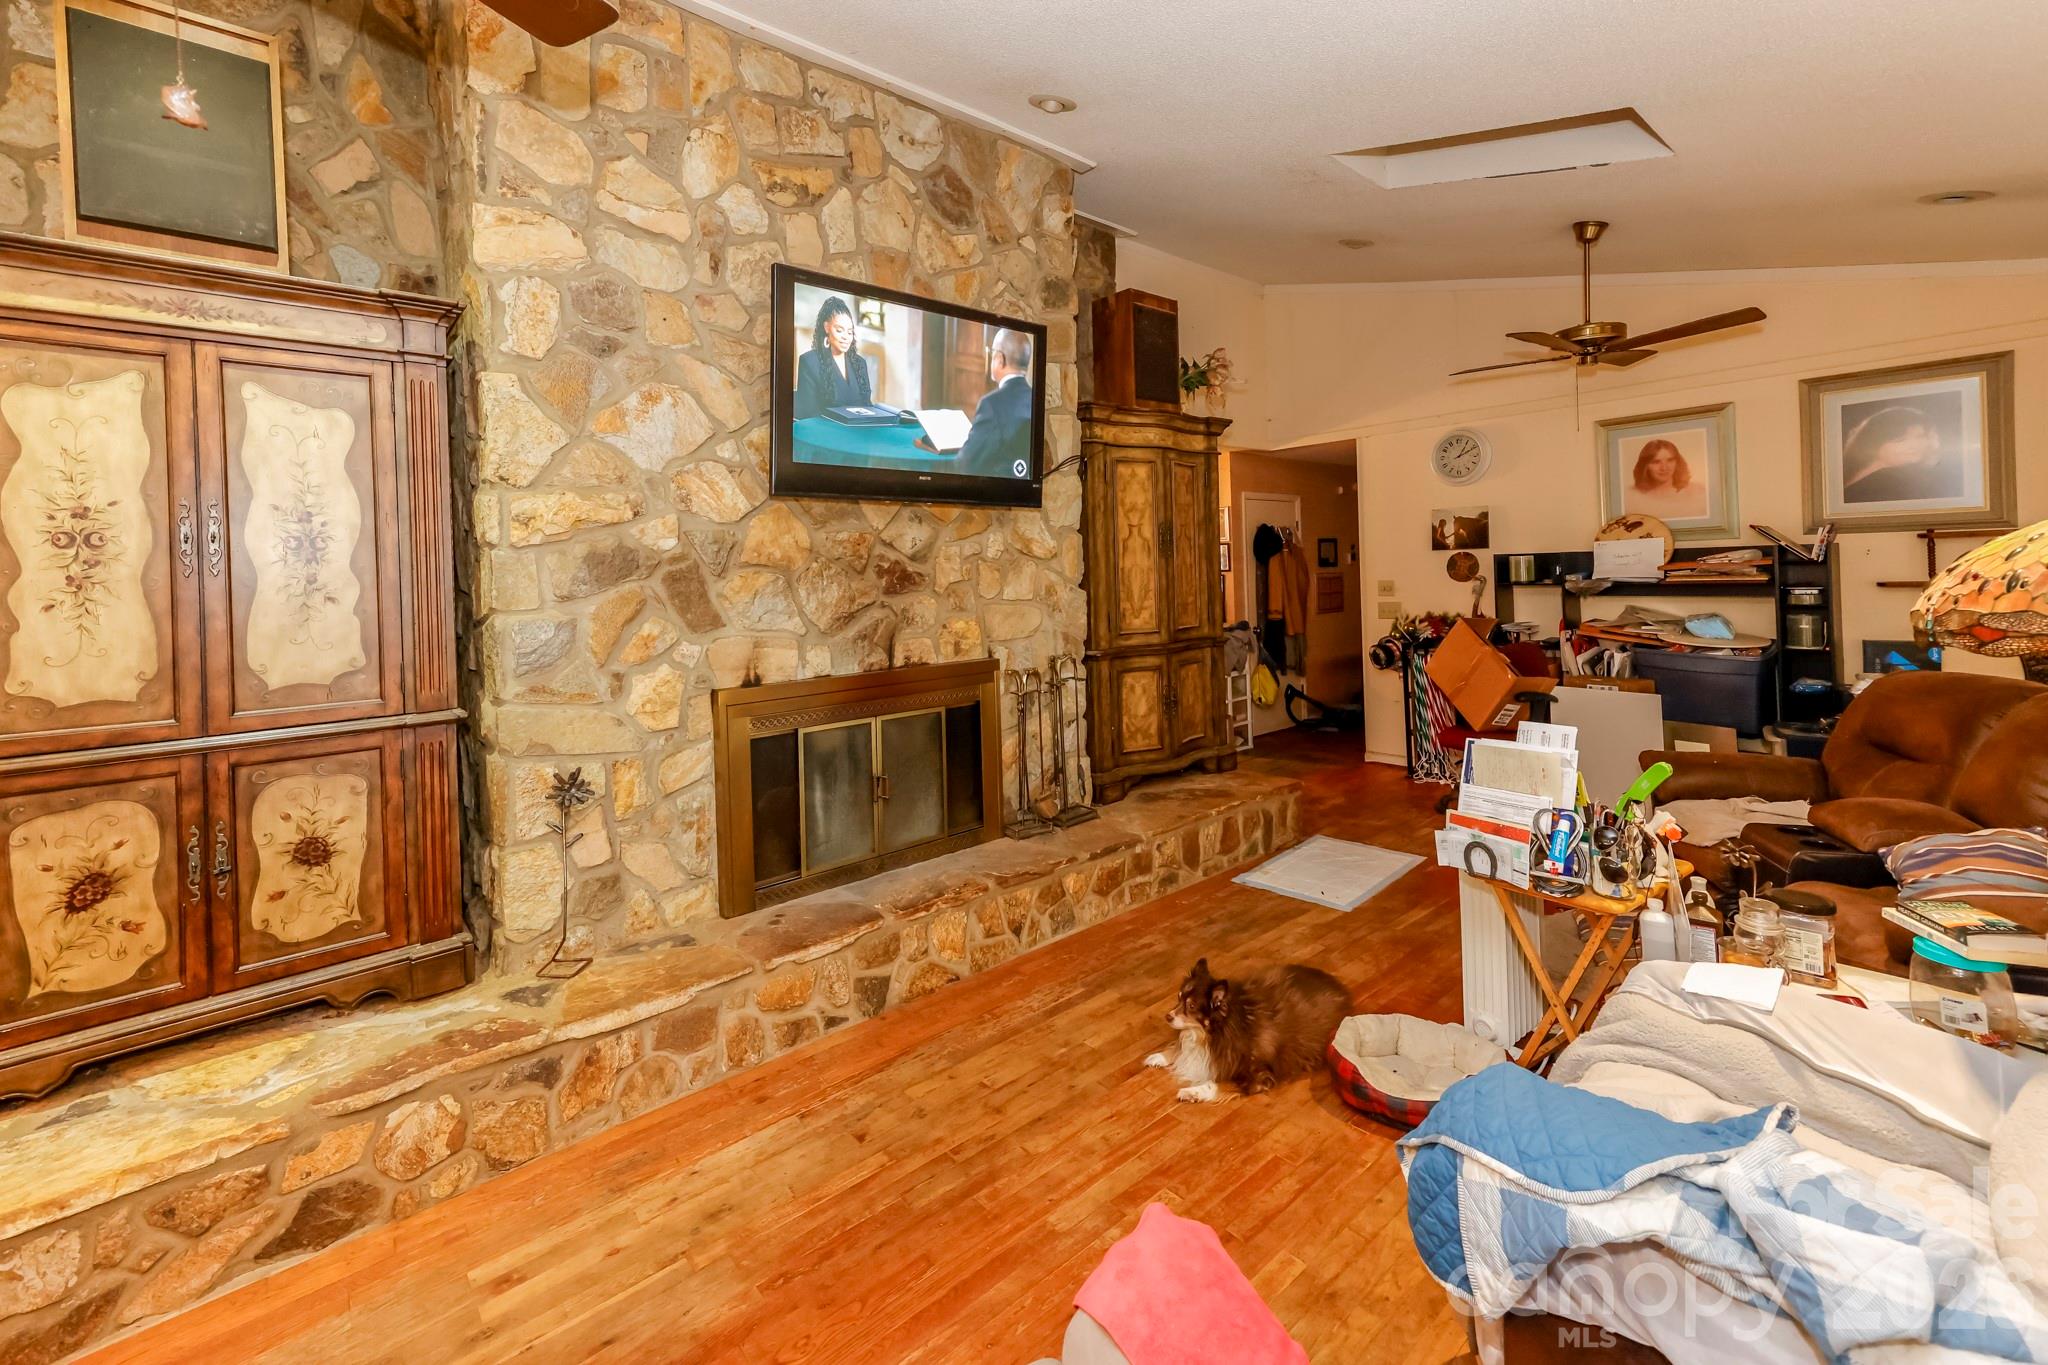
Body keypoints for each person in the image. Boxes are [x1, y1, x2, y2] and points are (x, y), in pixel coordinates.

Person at [953, 328, 1034, 477]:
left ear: (1000, 359)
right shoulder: (1035, 399)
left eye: (992, 353)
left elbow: (966, 463)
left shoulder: (991, 405)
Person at [1840, 404, 1961, 504]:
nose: (1915, 445)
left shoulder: (1903, 485)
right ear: (1875, 441)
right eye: (1901, 439)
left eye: (1921, 437)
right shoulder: (1844, 476)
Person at [793, 295, 871, 419]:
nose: (846, 337)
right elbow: (808, 416)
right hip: (825, 435)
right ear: (826, 328)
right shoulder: (809, 362)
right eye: (839, 330)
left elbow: (868, 408)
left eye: (849, 332)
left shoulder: (860, 363)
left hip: (860, 434)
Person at [1627, 437, 1708, 519]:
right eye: (1656, 462)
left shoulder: (1698, 492)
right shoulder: (1632, 496)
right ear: (1645, 466)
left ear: (1677, 462)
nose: (1664, 468)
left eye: (1670, 460)